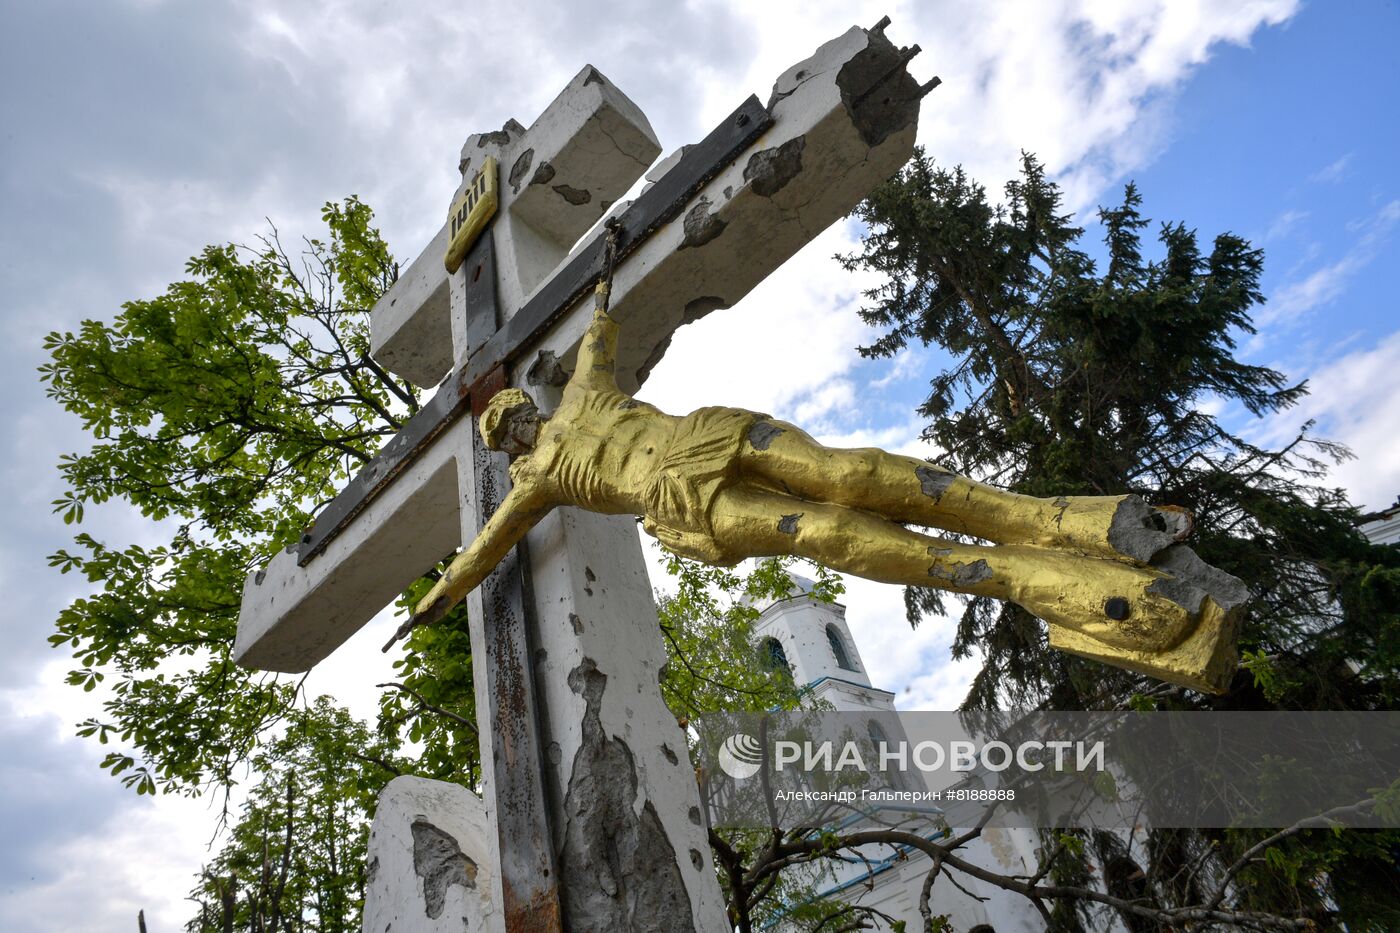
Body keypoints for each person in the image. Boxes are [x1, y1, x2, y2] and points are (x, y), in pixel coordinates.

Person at [396, 245, 1248, 693]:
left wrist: (610, 257)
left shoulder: (581, 392)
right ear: (505, 445)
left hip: (709, 436)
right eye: (504, 430)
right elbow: (487, 550)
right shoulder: (535, 483)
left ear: (526, 404)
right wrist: (435, 599)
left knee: (852, 474)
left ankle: (1063, 520)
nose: (515, 427)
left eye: (512, 413)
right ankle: (1043, 581)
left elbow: (599, 325)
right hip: (679, 502)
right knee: (833, 536)